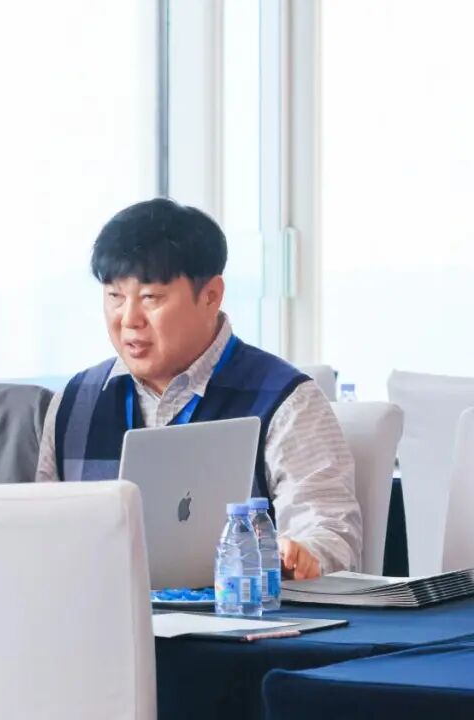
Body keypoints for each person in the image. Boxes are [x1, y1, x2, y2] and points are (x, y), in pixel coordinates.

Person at [35, 198, 361, 580]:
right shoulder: (75, 402)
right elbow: (41, 534)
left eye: (150, 298)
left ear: (210, 296)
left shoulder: (287, 400)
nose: (129, 319)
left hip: (237, 614)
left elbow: (330, 533)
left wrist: (301, 555)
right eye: (115, 297)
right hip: (100, 614)